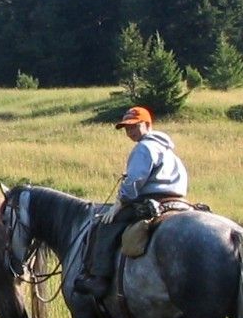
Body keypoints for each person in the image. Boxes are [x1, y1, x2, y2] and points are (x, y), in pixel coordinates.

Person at [74, 106, 189, 299]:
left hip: (151, 201)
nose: (130, 131)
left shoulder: (144, 148)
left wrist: (120, 203)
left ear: (148, 124)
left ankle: (99, 279)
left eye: (134, 126)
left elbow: (135, 180)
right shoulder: (168, 150)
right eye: (127, 128)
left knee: (104, 225)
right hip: (178, 201)